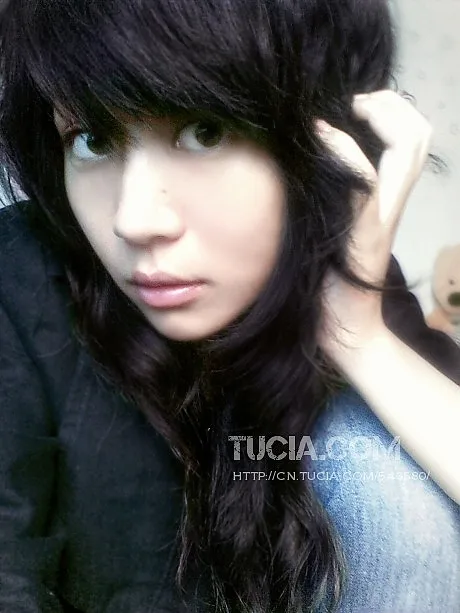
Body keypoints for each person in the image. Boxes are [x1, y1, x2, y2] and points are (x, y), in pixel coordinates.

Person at [0, 0, 459, 612]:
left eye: (204, 132)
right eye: (93, 139)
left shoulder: (346, 272)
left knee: (382, 465)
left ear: (322, 144)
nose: (135, 220)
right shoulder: (21, 272)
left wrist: (360, 337)